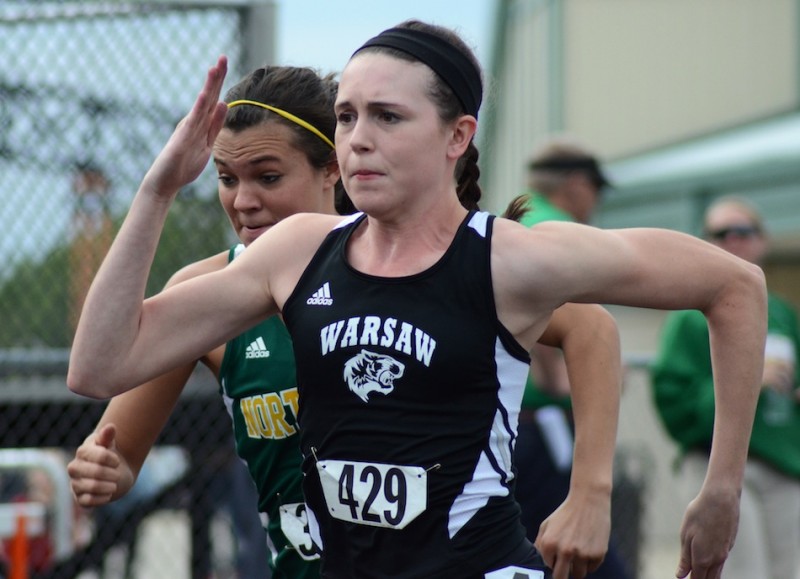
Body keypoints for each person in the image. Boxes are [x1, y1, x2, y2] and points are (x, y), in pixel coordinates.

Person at [67, 19, 767, 579]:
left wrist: (718, 488)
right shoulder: (298, 251)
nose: (360, 139)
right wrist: (158, 190)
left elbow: (734, 285)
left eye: (387, 117)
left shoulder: (511, 258)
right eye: (346, 117)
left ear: (456, 136)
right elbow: (99, 366)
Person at [67, 63, 348, 579]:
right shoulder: (216, 291)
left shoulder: (399, 259)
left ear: (331, 166)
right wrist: (158, 188)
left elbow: (551, 314)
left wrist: (554, 507)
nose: (243, 202)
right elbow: (110, 421)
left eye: (268, 177)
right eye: (226, 179)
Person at [651, 196, 800, 579]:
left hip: (784, 464)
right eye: (721, 233)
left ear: (762, 240)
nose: (733, 240)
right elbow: (674, 405)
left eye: (744, 231)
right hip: (719, 464)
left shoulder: (781, 312)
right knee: (741, 571)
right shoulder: (690, 313)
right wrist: (748, 382)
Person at [504, 139, 631, 579]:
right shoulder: (557, 228)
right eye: (596, 188)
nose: (596, 200)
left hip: (514, 425)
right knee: (579, 558)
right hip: (543, 423)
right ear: (577, 185)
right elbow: (533, 303)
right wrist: (559, 375)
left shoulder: (520, 218)